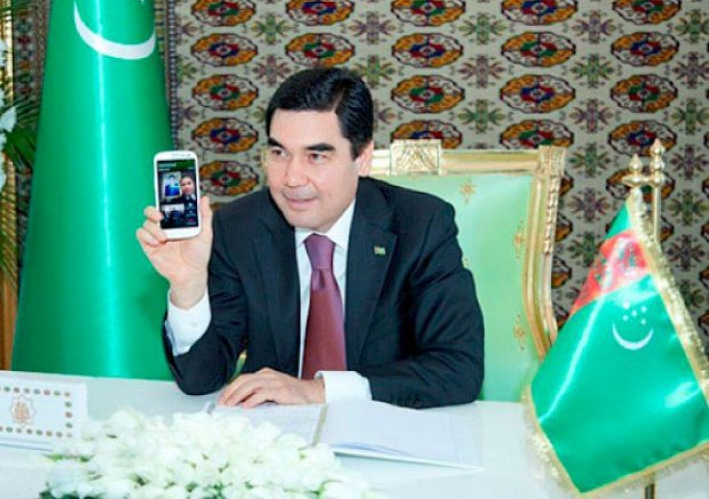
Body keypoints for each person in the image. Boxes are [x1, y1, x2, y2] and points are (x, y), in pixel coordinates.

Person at [137, 67, 484, 409]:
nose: (292, 178)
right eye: (279, 153)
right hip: (276, 436)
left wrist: (319, 391)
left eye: (316, 156)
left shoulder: (420, 225)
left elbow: (459, 369)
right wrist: (188, 287)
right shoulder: (239, 228)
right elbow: (201, 379)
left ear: (362, 158)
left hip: (385, 432)